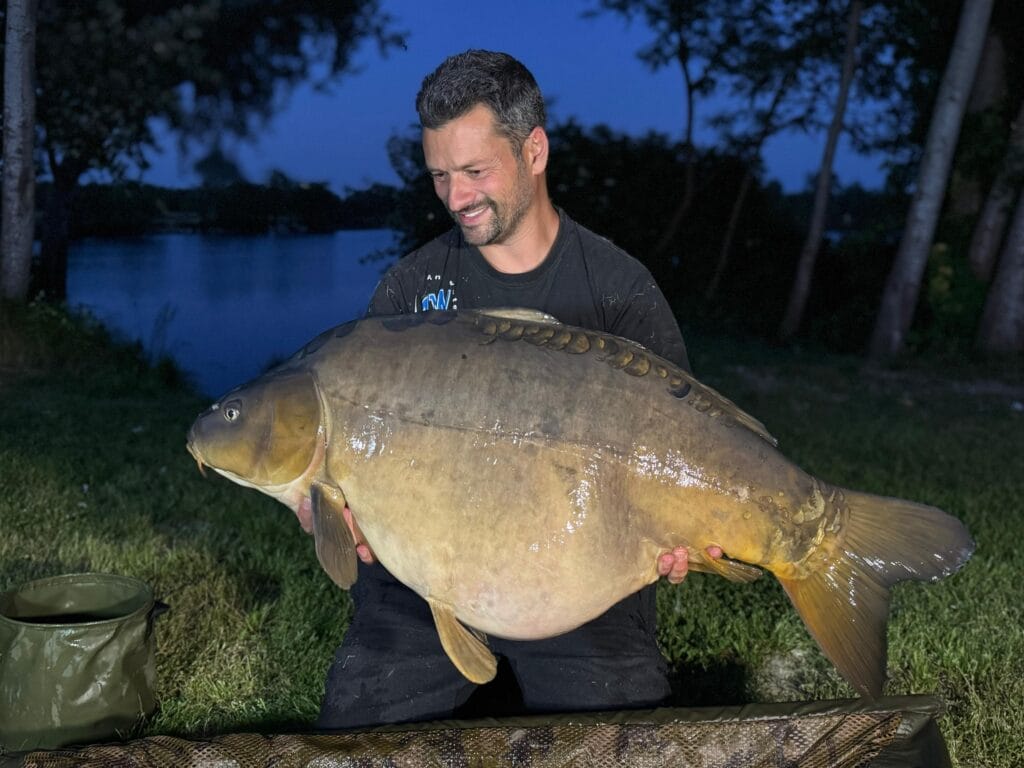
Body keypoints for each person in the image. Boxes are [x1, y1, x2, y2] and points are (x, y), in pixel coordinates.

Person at [311, 49, 721, 730]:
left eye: (475, 171)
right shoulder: (410, 293)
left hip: (581, 582)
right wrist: (336, 506)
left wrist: (682, 533)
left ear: (534, 150)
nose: (456, 197)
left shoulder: (617, 290)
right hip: (421, 585)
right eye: (440, 175)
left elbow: (681, 447)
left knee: (621, 738)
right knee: (356, 733)